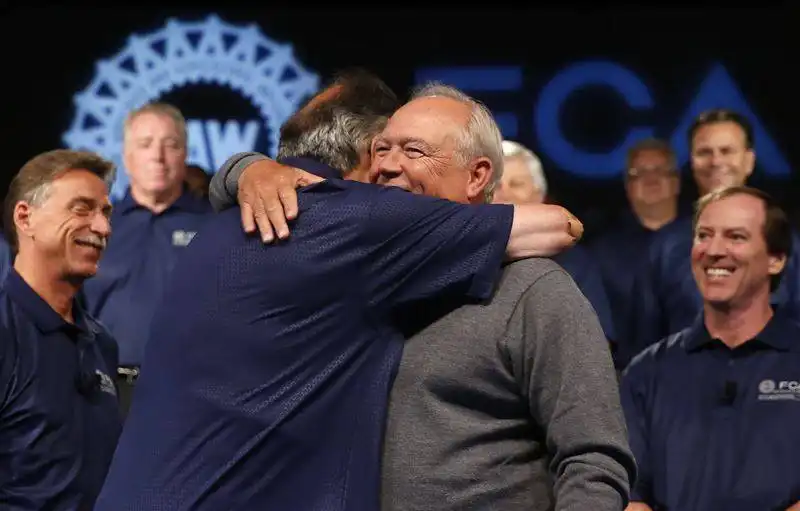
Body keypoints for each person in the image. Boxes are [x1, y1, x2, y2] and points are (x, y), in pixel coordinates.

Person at [95, 70, 582, 511]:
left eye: (413, 151)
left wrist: (243, 169)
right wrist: (455, 227)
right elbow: (558, 226)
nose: (394, 166)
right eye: (392, 148)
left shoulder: (216, 230)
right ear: (372, 150)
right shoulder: (360, 220)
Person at [212, 81, 635, 510]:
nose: (388, 167)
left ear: (477, 176)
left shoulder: (534, 291)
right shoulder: (357, 279)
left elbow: (593, 459)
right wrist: (247, 169)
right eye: (381, 149)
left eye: (413, 151)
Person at [621, 186, 800, 511]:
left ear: (775, 260)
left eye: (736, 237)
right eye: (704, 235)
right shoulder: (646, 372)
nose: (714, 250)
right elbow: (630, 494)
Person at [0, 149, 122, 510]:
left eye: (105, 213)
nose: (103, 228)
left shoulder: (103, 343)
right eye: (81, 208)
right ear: (25, 217)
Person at [629, 109, 800, 357]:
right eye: (704, 152)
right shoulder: (663, 247)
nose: (716, 161)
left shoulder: (785, 242)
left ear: (749, 160)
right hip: (683, 387)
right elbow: (641, 346)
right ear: (692, 162)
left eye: (727, 151)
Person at [80, 102, 214, 414]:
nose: (158, 156)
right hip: (102, 396)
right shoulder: (96, 228)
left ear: (185, 154)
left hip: (190, 395)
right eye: (145, 144)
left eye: (171, 145)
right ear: (126, 157)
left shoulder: (216, 227)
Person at [493, 139, 617, 349]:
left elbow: (595, 347)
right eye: (495, 186)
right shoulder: (460, 259)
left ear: (540, 196)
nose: (505, 194)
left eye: (517, 184)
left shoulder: (575, 264)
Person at [588, 138, 681, 367]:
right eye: (639, 172)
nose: (651, 178)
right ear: (628, 186)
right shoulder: (601, 254)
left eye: (660, 169)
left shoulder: (703, 241)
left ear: (676, 181)